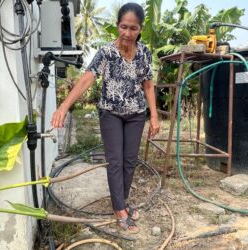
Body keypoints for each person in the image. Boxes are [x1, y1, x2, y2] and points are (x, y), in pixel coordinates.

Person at [51, 2, 159, 234]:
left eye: (133, 28)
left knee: (130, 161)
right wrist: (63, 106)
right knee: (116, 161)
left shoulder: (144, 54)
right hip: (110, 113)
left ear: (140, 29)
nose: (127, 33)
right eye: (123, 27)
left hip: (136, 114)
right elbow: (86, 79)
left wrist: (154, 115)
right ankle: (119, 209)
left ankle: (122, 201)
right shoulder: (106, 53)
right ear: (117, 25)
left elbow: (148, 85)